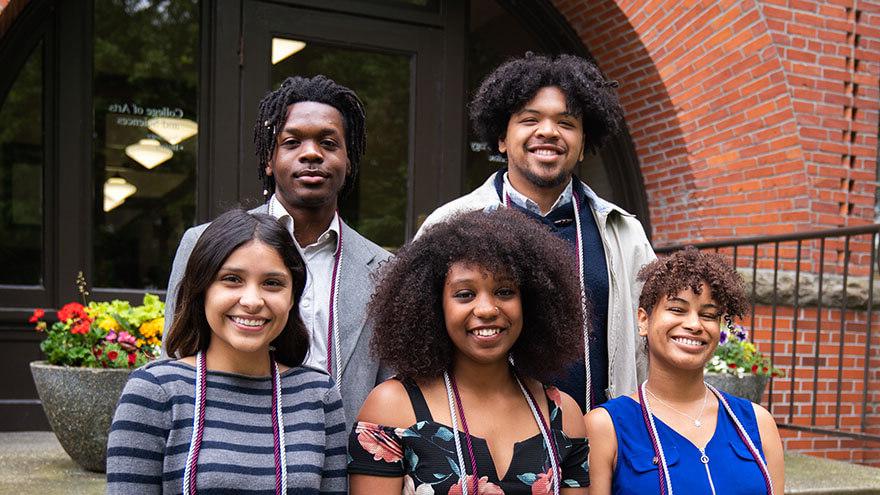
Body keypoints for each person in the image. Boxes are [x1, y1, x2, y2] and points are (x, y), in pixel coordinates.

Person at [418, 52, 655, 412]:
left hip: (599, 446)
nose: (548, 132)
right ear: (501, 138)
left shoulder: (624, 233)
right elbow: (418, 339)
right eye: (530, 120)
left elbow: (650, 346)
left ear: (582, 144)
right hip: (483, 448)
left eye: (566, 123)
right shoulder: (450, 224)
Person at [162, 75, 392, 427]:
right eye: (292, 142)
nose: (312, 153)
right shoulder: (202, 243)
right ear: (269, 160)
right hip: (226, 453)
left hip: (340, 467)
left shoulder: (385, 270)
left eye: (329, 143)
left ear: (349, 160)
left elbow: (390, 385)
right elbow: (176, 353)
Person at [349, 209, 590, 494]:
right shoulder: (391, 407)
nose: (487, 309)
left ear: (532, 302)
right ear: (433, 305)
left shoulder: (563, 415)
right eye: (465, 294)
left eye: (504, 292)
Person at [106, 209, 347, 494]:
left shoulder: (319, 394)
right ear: (202, 289)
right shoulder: (155, 391)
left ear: (292, 297)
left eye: (272, 283)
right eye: (232, 279)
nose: (252, 301)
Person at [584, 247, 784, 495]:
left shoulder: (756, 423)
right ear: (644, 320)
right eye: (677, 309)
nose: (694, 324)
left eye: (708, 315)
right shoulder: (606, 427)